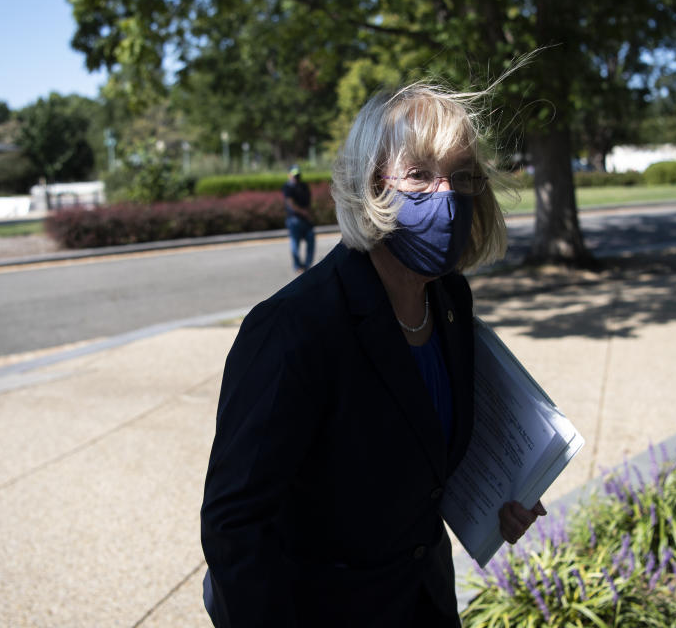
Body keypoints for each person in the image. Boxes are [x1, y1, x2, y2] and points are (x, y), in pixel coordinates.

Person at [201, 81, 546, 628]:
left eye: (462, 176)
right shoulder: (293, 328)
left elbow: (421, 452)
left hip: (423, 601)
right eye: (420, 175)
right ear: (372, 186)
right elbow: (234, 527)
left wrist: (495, 505)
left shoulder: (449, 296)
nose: (447, 196)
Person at [283, 164, 315, 272]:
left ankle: (307, 266)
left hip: (306, 219)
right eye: (294, 175)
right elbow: (290, 204)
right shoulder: (288, 187)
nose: (296, 177)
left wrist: (309, 215)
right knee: (295, 244)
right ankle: (298, 266)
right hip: (294, 219)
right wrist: (303, 212)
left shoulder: (304, 186)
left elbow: (308, 202)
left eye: (297, 175)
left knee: (311, 240)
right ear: (289, 175)